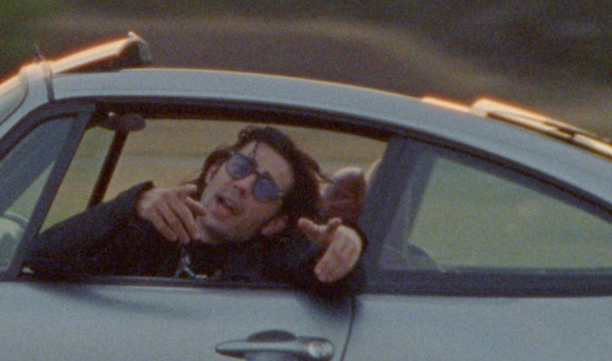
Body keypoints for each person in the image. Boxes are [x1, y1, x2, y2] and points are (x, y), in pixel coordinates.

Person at [26, 125, 365, 294]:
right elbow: (39, 256)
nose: (244, 184)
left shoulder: (271, 262)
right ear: (214, 170)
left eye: (265, 187)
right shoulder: (143, 233)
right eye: (241, 166)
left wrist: (347, 242)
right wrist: (134, 203)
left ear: (274, 223)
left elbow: (340, 285)